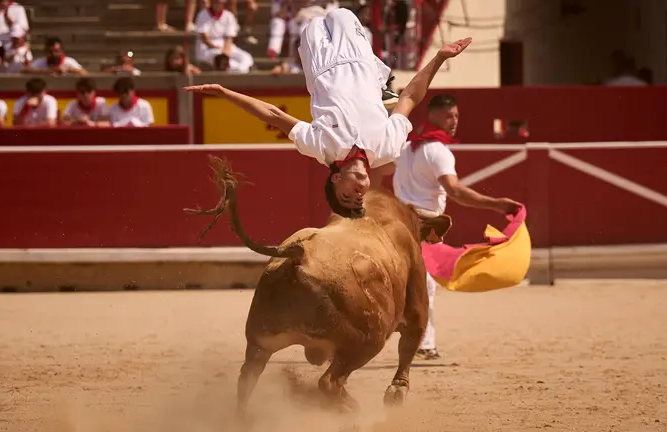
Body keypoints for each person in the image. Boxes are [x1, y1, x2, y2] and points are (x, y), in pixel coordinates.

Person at [184, 8, 472, 217]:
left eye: (347, 196)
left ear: (335, 180)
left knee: (311, 19)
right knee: (343, 12)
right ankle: (381, 84)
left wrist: (225, 94)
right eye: (358, 200)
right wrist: (439, 57)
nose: (357, 195)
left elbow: (272, 114)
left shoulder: (320, 148)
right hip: (360, 59)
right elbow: (410, 96)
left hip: (320, 64)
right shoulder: (388, 148)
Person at [372, 94, 522, 359]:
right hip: (425, 225)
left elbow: (377, 171)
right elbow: (455, 191)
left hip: (396, 224)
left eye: (456, 116)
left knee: (404, 282)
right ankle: (424, 343)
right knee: (425, 284)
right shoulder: (436, 151)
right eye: (449, 116)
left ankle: (405, 334)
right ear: (433, 115)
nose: (454, 121)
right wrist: (497, 204)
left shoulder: (406, 148)